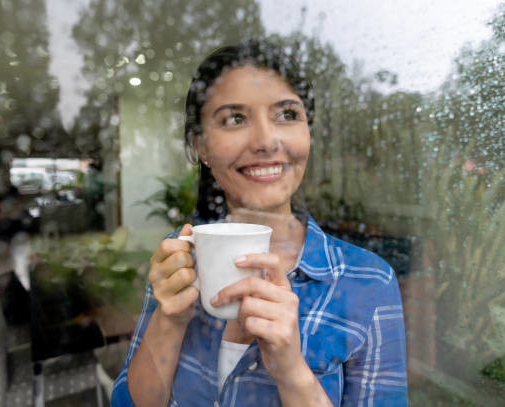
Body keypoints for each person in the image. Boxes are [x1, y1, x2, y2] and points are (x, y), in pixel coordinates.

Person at [112, 39, 407, 406]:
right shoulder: (181, 256)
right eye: (235, 119)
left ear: (308, 132)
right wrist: (169, 321)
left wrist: (290, 369)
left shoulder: (369, 282)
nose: (266, 141)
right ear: (201, 147)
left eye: (287, 114)